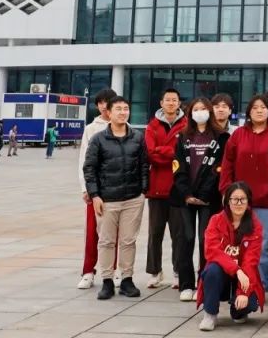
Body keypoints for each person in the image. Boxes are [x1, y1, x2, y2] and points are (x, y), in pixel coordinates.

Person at [221, 93, 268, 292]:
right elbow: (227, 164)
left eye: (263, 107)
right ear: (249, 112)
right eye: (255, 108)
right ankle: (239, 282)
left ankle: (260, 285)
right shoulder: (238, 135)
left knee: (265, 245)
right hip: (239, 201)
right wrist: (227, 190)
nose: (259, 111)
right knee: (237, 243)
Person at [82, 95, 149, 300]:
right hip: (107, 199)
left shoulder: (138, 137)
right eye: (118, 109)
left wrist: (143, 190)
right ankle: (107, 281)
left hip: (133, 198)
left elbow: (144, 165)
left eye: (126, 108)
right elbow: (89, 169)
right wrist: (95, 195)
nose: (123, 112)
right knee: (106, 241)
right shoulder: (98, 139)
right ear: (109, 113)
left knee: (128, 241)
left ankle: (127, 279)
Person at [171, 96, 228, 301]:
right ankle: (186, 284)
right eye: (196, 109)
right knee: (186, 238)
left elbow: (220, 168)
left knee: (207, 240)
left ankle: (204, 284)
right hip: (185, 198)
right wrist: (187, 194)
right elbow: (177, 167)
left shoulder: (222, 137)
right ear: (190, 113)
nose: (200, 112)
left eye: (203, 108)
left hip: (209, 198)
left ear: (210, 111)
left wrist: (204, 195)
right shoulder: (182, 136)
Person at [199, 182, 265, 330]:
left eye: (243, 199)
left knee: (247, 304)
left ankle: (238, 312)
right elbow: (212, 251)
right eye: (235, 199)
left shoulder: (255, 225)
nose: (239, 203)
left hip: (244, 275)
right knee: (212, 270)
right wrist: (236, 270)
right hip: (223, 272)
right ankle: (210, 314)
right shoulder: (216, 220)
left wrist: (243, 293)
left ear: (248, 201)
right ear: (227, 201)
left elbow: (251, 261)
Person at [144, 87, 188, 289]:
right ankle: (155, 271)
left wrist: (163, 151)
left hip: (178, 187)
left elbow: (184, 154)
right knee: (155, 233)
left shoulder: (187, 125)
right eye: (167, 99)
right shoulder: (152, 126)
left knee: (179, 234)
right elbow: (150, 153)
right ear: (161, 103)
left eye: (174, 100)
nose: (171, 103)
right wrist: (172, 152)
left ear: (179, 103)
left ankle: (178, 271)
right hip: (156, 187)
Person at [78, 88, 117, 290]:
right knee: (93, 233)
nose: (103, 106)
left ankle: (114, 271)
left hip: (119, 189)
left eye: (107, 102)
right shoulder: (91, 129)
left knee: (116, 233)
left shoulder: (125, 127)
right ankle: (88, 271)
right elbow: (84, 161)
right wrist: (85, 188)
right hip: (97, 190)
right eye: (100, 103)